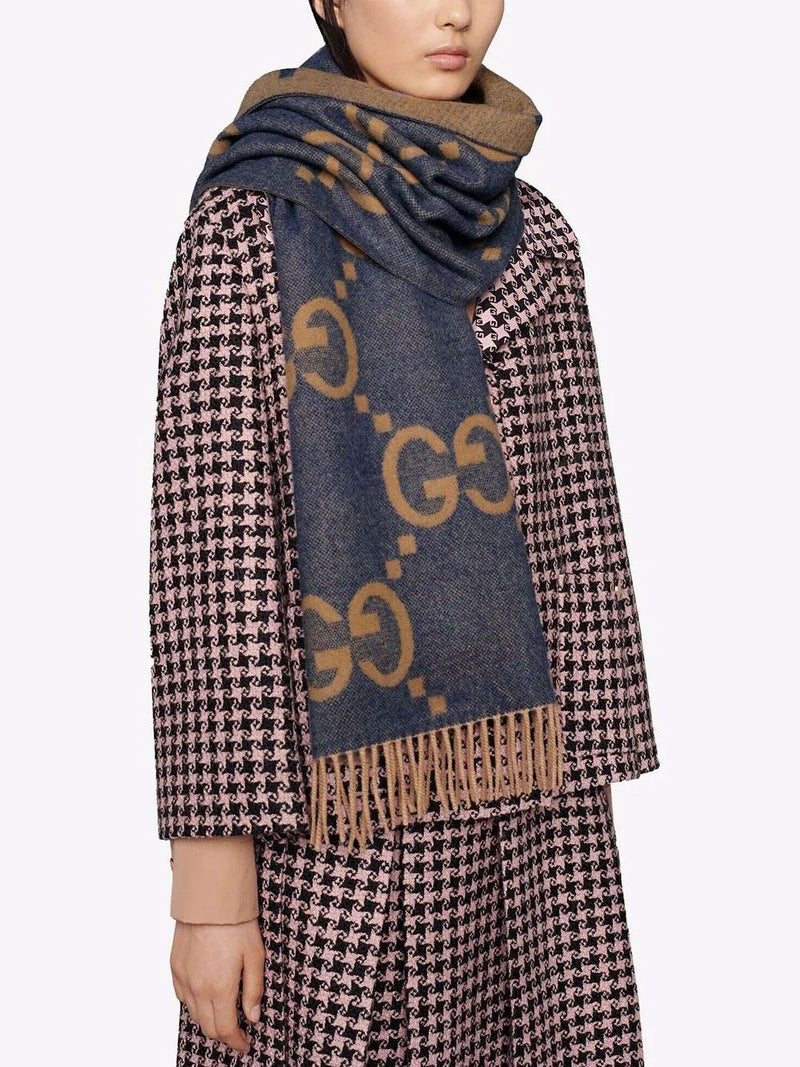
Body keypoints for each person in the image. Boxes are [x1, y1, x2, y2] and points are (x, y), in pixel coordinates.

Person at [150, 2, 660, 1064]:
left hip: (540, 820)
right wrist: (210, 889)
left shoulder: (535, 233)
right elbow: (211, 563)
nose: (455, 11)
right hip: (339, 829)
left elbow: (579, 534)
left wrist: (587, 816)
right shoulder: (252, 225)